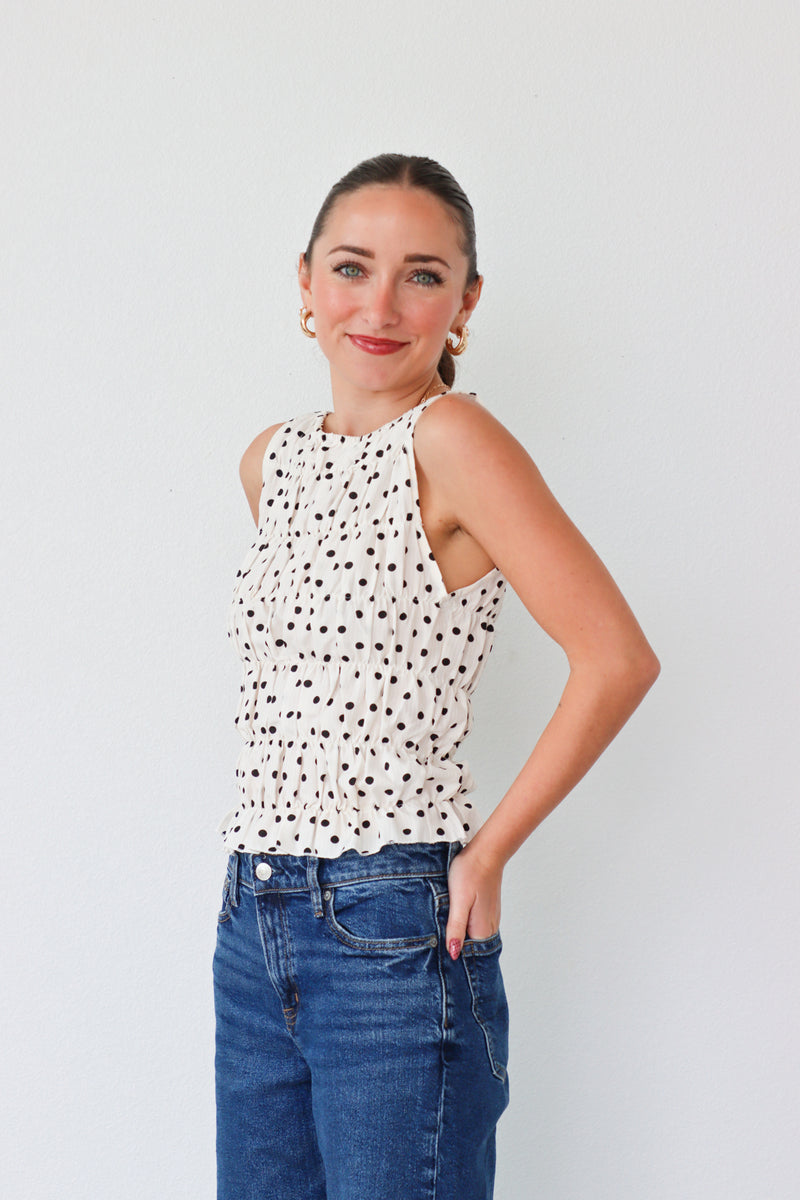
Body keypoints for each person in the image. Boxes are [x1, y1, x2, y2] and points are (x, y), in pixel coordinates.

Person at [212, 153, 660, 1200]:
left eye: (421, 274)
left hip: (390, 920)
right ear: (305, 283)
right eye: (351, 267)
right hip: (250, 910)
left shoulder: (453, 439)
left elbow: (614, 658)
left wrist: (485, 854)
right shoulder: (268, 460)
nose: (379, 304)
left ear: (464, 301)